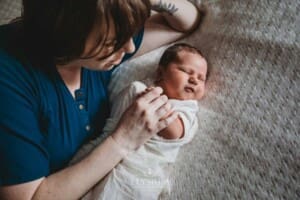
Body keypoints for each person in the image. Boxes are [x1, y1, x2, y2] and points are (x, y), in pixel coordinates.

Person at [0, 0, 201, 199]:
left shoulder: (103, 29)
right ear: (68, 32)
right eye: (112, 42)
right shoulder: (10, 79)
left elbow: (185, 22)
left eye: (130, 34)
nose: (130, 47)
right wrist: (123, 140)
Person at [71, 43, 208, 200]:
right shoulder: (139, 89)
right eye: (185, 71)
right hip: (102, 151)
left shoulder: (186, 108)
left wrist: (156, 102)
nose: (194, 80)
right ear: (160, 72)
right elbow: (114, 115)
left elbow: (174, 132)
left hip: (140, 172)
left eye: (201, 78)